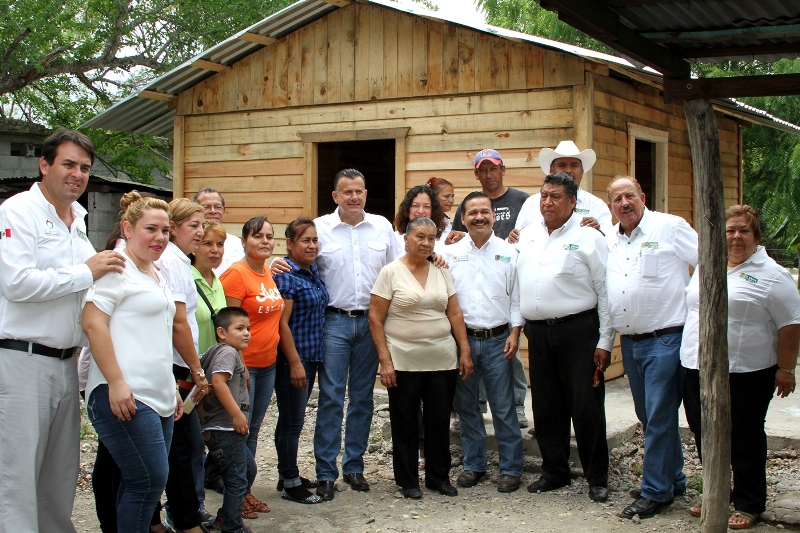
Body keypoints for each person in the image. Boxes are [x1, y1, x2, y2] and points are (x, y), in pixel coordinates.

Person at [0, 129, 125, 533]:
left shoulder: (79, 220)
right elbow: (16, 283)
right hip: (22, 360)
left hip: (67, 362)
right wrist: (86, 271)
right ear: (44, 165)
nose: (78, 174)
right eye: (68, 164)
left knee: (59, 473)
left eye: (85, 168)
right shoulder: (18, 212)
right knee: (16, 475)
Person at [681, 205, 800, 529]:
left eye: (744, 230)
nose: (736, 237)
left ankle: (749, 501)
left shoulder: (773, 275)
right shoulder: (709, 264)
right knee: (703, 431)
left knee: (744, 436)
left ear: (756, 236)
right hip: (696, 365)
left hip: (747, 372)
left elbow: (791, 325)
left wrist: (786, 369)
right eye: (730, 230)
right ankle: (716, 492)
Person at [82, 193, 181, 532]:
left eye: (165, 231)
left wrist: (171, 387)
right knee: (148, 480)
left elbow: (155, 335)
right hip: (124, 392)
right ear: (127, 228)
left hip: (158, 393)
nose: (160, 237)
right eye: (150, 229)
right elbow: (93, 324)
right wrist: (116, 382)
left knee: (145, 484)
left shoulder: (156, 272)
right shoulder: (116, 269)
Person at [516, 173, 613, 503]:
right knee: (546, 406)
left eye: (555, 196)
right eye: (544, 195)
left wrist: (605, 340)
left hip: (579, 332)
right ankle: (554, 472)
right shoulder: (527, 236)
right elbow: (514, 282)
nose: (547, 202)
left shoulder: (589, 237)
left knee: (586, 406)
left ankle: (596, 477)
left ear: (572, 201)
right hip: (538, 333)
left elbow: (605, 292)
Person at [605, 176, 698, 519]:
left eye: (630, 196)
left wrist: (695, 306)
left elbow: (708, 261)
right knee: (649, 416)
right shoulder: (611, 239)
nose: (624, 203)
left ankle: (656, 491)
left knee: (659, 415)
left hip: (666, 338)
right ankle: (673, 479)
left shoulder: (670, 227)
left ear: (643, 197)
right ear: (611, 206)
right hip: (631, 343)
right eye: (617, 199)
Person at [313, 168, 402, 501]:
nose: (354, 197)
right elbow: (302, 263)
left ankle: (354, 466)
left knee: (362, 397)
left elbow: (397, 270)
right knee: (331, 397)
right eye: (347, 192)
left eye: (359, 191)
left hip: (371, 323)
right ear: (335, 196)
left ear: (365, 194)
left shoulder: (381, 227)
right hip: (333, 322)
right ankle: (325, 472)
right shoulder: (319, 228)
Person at [369, 217, 473, 499]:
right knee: (405, 422)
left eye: (431, 238)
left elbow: (454, 312)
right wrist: (385, 361)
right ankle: (408, 481)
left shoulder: (441, 270)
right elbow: (375, 318)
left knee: (438, 421)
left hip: (442, 358)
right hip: (403, 359)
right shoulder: (390, 272)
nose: (426, 243)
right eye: (420, 237)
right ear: (406, 239)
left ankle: (438, 478)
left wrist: (464, 349)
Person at [444, 192, 525, 493]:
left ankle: (511, 468)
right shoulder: (450, 253)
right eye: (472, 213)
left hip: (498, 340)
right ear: (463, 219)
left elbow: (517, 298)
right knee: (466, 406)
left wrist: (515, 333)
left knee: (503, 407)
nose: (479, 217)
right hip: (462, 340)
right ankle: (474, 464)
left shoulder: (510, 252)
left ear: (493, 216)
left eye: (485, 212)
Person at [450, 148, 530, 428]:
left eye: (493, 168)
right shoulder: (466, 209)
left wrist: (516, 329)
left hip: (503, 295)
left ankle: (517, 406)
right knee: (469, 376)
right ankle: (473, 409)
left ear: (502, 169)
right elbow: (456, 238)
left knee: (510, 365)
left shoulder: (522, 200)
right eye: (482, 170)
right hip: (471, 305)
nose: (488, 174)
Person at [219, 215, 283, 515]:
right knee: (239, 432)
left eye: (269, 236)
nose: (265, 241)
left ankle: (244, 490)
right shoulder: (236, 274)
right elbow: (226, 326)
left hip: (268, 364)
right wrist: (240, 366)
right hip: (245, 367)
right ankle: (234, 493)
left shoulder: (267, 272)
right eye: (258, 236)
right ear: (244, 241)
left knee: (253, 430)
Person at [158, 198, 211, 533]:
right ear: (174, 228)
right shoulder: (173, 261)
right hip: (178, 368)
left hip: (181, 365)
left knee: (182, 446)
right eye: (194, 226)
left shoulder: (180, 260)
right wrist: (197, 369)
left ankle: (167, 517)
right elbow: (179, 322)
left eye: (202, 225)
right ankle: (185, 519)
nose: (200, 232)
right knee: (184, 448)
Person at [273, 217, 329, 504]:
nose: (311, 245)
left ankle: (286, 475)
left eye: (315, 240)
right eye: (305, 240)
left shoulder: (311, 271)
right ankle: (291, 482)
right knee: (292, 422)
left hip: (310, 356)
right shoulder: (286, 276)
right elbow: (282, 324)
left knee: (292, 419)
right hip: (294, 359)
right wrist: (294, 363)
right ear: (290, 243)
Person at [200, 307, 257, 533]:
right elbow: (218, 382)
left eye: (248, 329)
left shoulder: (218, 352)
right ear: (222, 332)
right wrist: (236, 414)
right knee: (236, 479)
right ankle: (232, 526)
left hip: (223, 428)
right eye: (240, 328)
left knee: (248, 470)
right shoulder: (227, 353)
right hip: (225, 428)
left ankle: (225, 516)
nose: (247, 333)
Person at [192, 220, 229, 521]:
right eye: (207, 244)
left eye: (219, 244)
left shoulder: (217, 280)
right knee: (191, 444)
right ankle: (192, 507)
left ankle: (196, 502)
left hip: (213, 373)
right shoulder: (188, 278)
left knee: (205, 438)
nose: (214, 250)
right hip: (191, 373)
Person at [511, 140, 612, 241]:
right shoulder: (532, 203)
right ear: (551, 171)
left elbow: (609, 241)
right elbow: (517, 237)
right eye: (562, 165)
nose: (568, 170)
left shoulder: (597, 205)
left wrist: (598, 231)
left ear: (582, 172)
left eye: (574, 165)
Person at [194, 188, 245, 276]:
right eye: (206, 207)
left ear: (224, 211)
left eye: (218, 207)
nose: (213, 211)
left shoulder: (237, 244)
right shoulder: (190, 240)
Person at [393, 185, 448, 254]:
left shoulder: (445, 239)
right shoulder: (395, 239)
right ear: (407, 209)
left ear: (433, 211)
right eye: (415, 205)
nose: (421, 211)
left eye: (426, 206)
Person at [426, 177, 464, 245]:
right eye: (447, 196)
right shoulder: (427, 220)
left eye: (452, 196)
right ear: (434, 197)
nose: (451, 200)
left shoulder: (445, 219)